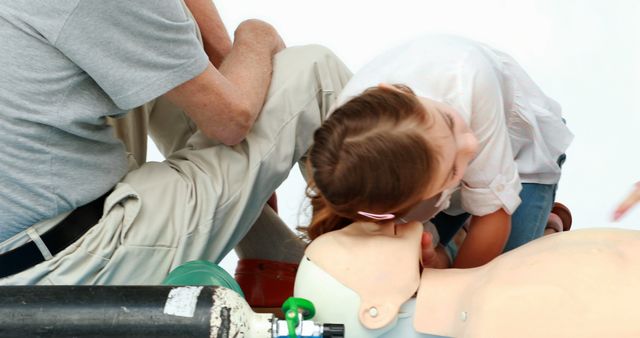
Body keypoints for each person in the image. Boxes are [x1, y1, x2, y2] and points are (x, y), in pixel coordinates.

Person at [0, 0, 351, 284]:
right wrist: (257, 35)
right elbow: (230, 121)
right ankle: (367, 277)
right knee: (314, 69)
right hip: (66, 271)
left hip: (18, 247)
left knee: (163, 54)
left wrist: (227, 63)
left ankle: (271, 262)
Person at [303, 35, 573, 268]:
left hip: (522, 154)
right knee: (406, 263)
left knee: (502, 278)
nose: (470, 145)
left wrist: (454, 290)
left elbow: (492, 217)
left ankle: (545, 224)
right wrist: (433, 260)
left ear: (396, 93)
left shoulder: (469, 77)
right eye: (454, 171)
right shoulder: (357, 164)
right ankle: (456, 236)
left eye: (448, 120)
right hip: (425, 187)